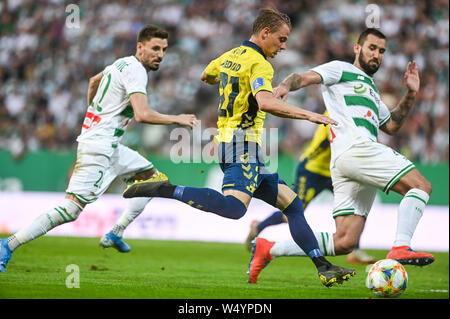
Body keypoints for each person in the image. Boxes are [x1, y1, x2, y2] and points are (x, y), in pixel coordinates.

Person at [122, 8, 356, 287]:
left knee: (292, 204)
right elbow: (267, 102)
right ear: (265, 33)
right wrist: (309, 114)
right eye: (281, 39)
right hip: (241, 144)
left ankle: (323, 266)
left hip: (235, 143)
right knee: (234, 208)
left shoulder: (230, 55)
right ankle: (164, 188)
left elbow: (205, 75)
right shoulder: (261, 65)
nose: (284, 46)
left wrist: (227, 83)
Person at [0, 24, 197, 272]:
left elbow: (94, 82)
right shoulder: (137, 71)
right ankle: (8, 244)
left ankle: (115, 232)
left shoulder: (121, 63)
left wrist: (92, 115)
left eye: (164, 49)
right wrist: (177, 118)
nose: (160, 54)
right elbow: (142, 114)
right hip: (99, 146)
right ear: (140, 47)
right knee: (71, 209)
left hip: (110, 144)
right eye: (155, 48)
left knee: (154, 178)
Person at [248, 28, 434, 284]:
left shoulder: (371, 90)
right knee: (421, 186)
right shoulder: (341, 69)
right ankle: (401, 245)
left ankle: (268, 247)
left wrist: (411, 94)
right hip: (358, 149)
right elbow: (301, 77)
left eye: (381, 51)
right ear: (357, 48)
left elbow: (391, 125)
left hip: (344, 164)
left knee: (345, 241)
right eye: (371, 48)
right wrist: (283, 86)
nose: (376, 55)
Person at [245, 113, 376, 265]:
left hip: (335, 172)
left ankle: (355, 250)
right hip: (311, 170)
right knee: (292, 212)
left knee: (355, 206)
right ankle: (258, 227)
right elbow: (334, 142)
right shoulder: (335, 112)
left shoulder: (350, 110)